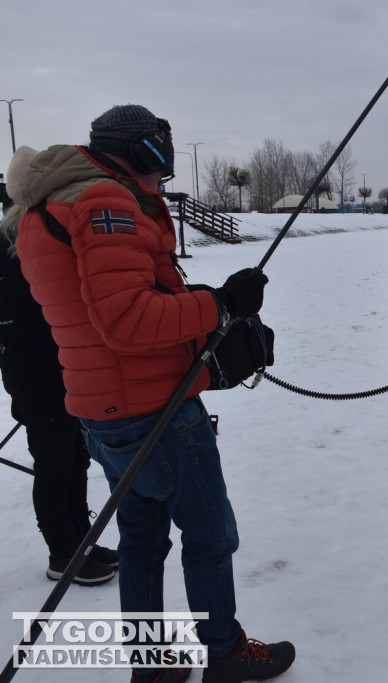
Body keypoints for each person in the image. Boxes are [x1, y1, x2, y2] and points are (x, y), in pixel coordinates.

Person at [10, 104, 294, 683]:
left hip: (103, 409)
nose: (163, 172)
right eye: (160, 153)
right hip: (152, 408)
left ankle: (152, 662)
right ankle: (223, 651)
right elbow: (129, 321)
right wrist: (223, 303)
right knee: (211, 535)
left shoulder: (46, 209)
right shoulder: (104, 202)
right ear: (143, 150)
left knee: (142, 539)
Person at [1, 147, 118, 586]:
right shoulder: (8, 241)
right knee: (52, 462)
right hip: (35, 371)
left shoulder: (47, 229)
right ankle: (61, 551)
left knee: (77, 457)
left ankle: (81, 540)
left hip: (67, 365)